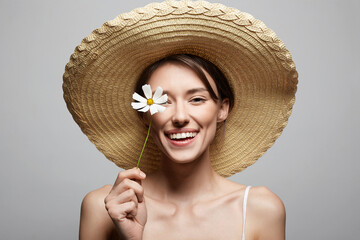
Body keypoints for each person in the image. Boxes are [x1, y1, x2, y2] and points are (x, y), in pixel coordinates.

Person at [63, 1, 298, 239]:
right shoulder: (104, 207)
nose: (180, 117)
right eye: (162, 101)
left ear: (222, 109)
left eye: (196, 99)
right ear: (144, 113)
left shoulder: (261, 209)